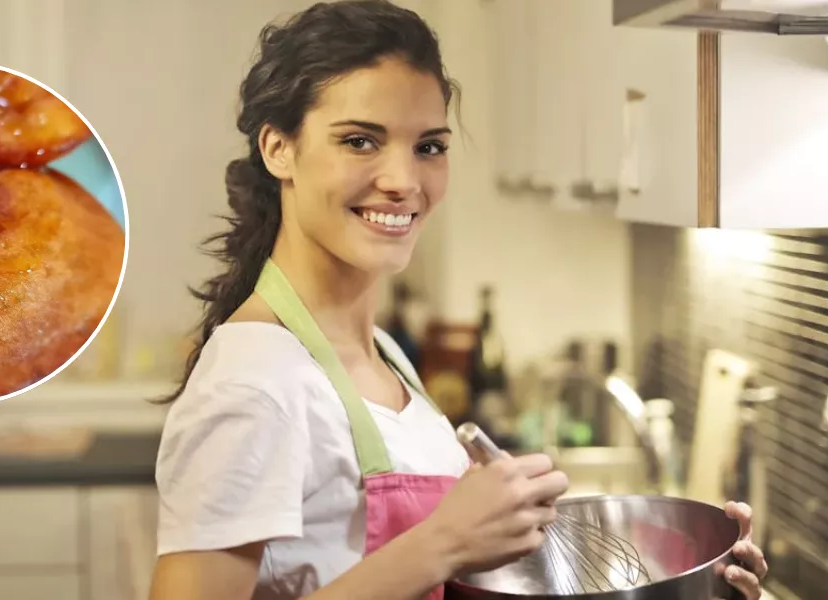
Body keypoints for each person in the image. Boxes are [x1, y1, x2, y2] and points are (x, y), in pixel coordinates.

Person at [147, 2, 769, 599]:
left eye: (429, 146)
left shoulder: (385, 357)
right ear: (278, 148)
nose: (404, 181)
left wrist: (685, 586)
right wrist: (442, 542)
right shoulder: (255, 383)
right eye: (360, 141)